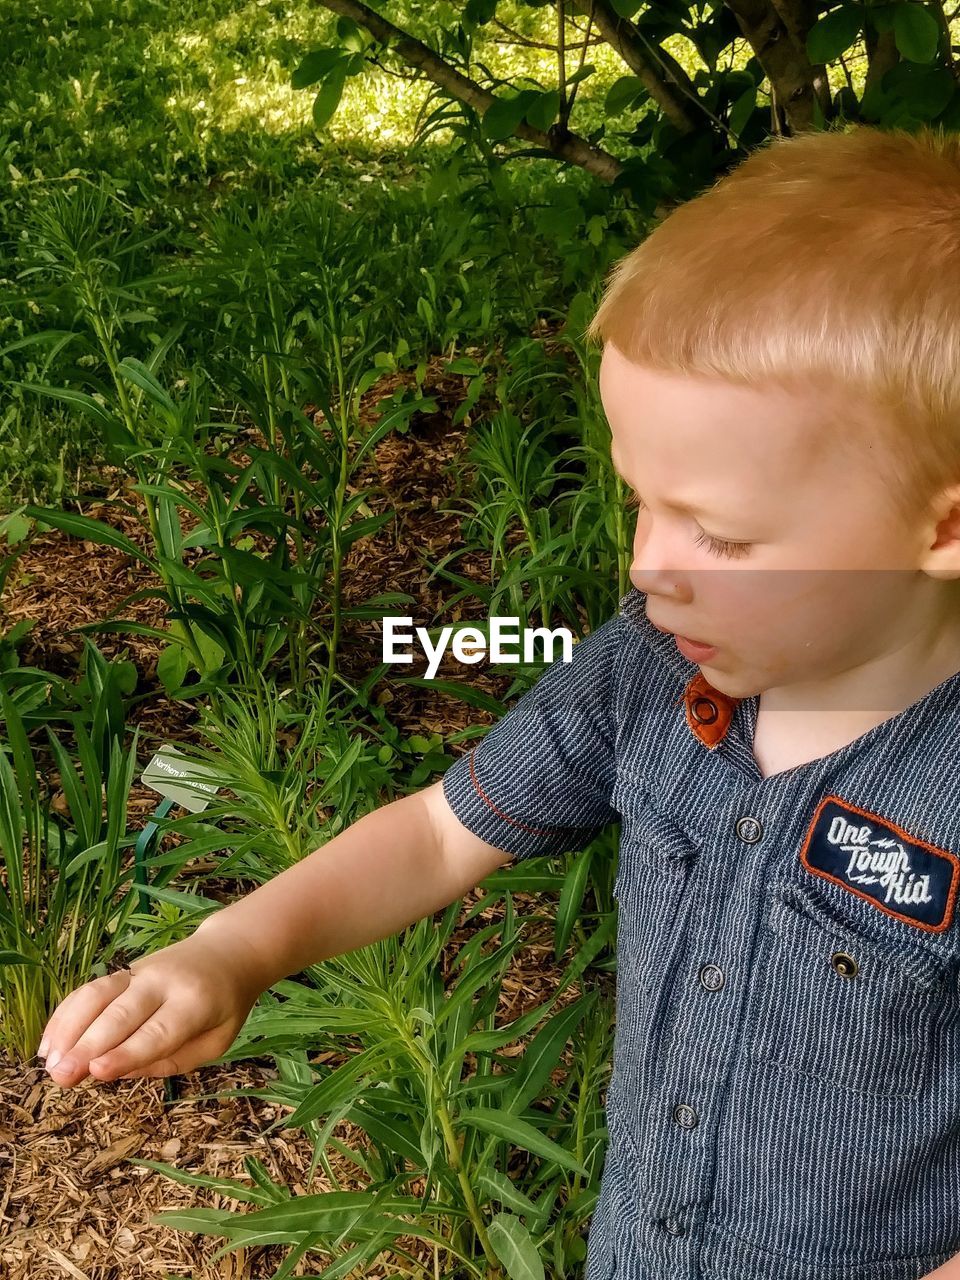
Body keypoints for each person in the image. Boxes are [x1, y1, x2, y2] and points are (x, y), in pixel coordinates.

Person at [38, 123, 960, 1280]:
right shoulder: (651, 669)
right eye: (640, 500)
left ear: (944, 526)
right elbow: (436, 831)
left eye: (719, 531)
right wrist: (230, 950)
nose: (648, 564)